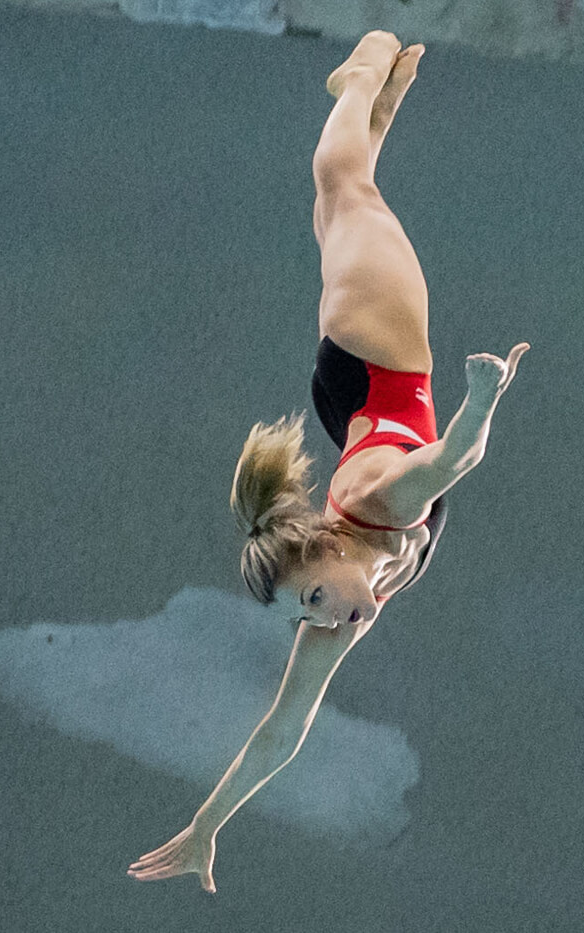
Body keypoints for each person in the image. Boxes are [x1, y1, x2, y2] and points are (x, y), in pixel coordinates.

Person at [128, 31, 529, 893]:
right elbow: (282, 728)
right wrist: (207, 824)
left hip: (375, 354)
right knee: (338, 214)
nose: (322, 622)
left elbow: (455, 461)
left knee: (342, 188)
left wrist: (484, 396)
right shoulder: (337, 604)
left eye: (311, 598)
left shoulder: (382, 499)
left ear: (330, 548)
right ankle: (380, 107)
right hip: (352, 408)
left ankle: (361, 72)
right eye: (302, 617)